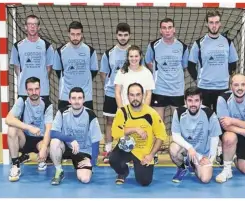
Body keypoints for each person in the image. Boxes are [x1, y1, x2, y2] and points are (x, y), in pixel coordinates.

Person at [145, 18, 189, 164]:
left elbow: (184, 65)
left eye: (170, 27)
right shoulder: (154, 45)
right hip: (160, 89)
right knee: (158, 123)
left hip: (177, 91)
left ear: (174, 29)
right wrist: (159, 74)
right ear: (160, 30)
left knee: (181, 123)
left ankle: (183, 151)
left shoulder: (182, 46)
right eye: (164, 28)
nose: (167, 30)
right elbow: (149, 62)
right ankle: (154, 153)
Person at [109, 83, 167, 186]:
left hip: (143, 152)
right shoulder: (122, 112)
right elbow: (115, 133)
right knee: (113, 159)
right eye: (132, 95)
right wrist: (134, 129)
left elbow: (161, 136)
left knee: (144, 182)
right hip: (126, 148)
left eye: (138, 94)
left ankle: (138, 165)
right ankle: (123, 172)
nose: (135, 98)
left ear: (143, 96)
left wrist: (151, 155)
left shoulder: (151, 113)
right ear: (127, 96)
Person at [49, 87, 102, 185]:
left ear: (84, 100)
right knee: (54, 142)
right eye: (73, 98)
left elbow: (95, 140)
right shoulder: (62, 112)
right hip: (67, 147)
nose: (76, 101)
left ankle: (85, 169)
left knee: (85, 179)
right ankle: (59, 170)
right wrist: (71, 139)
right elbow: (52, 133)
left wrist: (92, 161)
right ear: (69, 100)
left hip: (83, 151)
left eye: (79, 98)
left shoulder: (90, 115)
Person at [188, 10, 239, 112]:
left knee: (221, 120)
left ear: (220, 23)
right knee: (204, 119)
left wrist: (224, 76)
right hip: (204, 88)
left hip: (222, 88)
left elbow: (233, 64)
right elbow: (191, 65)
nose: (214, 25)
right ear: (207, 24)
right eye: (211, 22)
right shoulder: (199, 43)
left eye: (216, 22)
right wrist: (198, 80)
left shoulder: (228, 42)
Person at [215, 74, 245, 183]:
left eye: (242, 84)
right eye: (236, 85)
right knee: (229, 137)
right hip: (231, 132)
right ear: (231, 86)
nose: (239, 88)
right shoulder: (223, 99)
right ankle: (227, 169)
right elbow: (225, 126)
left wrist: (233, 120)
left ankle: (234, 155)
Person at [5, 77, 53, 182]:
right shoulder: (22, 100)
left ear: (40, 89)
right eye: (30, 90)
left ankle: (42, 159)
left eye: (36, 89)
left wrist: (44, 147)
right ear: (27, 91)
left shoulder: (47, 105)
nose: (34, 92)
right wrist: (29, 127)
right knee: (11, 128)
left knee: (52, 146)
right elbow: (8, 119)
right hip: (25, 139)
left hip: (40, 140)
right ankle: (15, 165)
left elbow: (49, 129)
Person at [169, 87, 221, 183]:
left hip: (202, 154)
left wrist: (210, 159)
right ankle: (182, 167)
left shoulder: (210, 114)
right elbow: (175, 135)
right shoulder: (179, 112)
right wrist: (189, 147)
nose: (193, 104)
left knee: (205, 179)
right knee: (173, 149)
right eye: (190, 100)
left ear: (201, 102)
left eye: (196, 100)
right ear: (185, 101)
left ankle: (193, 164)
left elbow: (215, 138)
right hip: (187, 150)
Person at [100, 23, 131, 163]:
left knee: (129, 122)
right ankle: (107, 149)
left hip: (129, 95)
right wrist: (109, 87)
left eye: (125, 35)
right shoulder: (109, 53)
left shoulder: (134, 52)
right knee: (110, 121)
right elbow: (103, 73)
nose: (123, 38)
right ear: (116, 35)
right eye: (120, 35)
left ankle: (130, 151)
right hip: (112, 94)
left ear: (129, 36)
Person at [53, 21, 98, 110]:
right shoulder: (60, 51)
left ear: (82, 35)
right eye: (72, 34)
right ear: (68, 34)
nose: (75, 37)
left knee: (85, 123)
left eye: (78, 34)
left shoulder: (91, 51)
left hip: (86, 97)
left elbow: (94, 71)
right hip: (65, 96)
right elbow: (58, 71)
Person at [10, 14, 54, 101]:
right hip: (24, 92)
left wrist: (41, 80)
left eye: (35, 24)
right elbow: (17, 69)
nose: (32, 27)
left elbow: (49, 69)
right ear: (25, 27)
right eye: (30, 24)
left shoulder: (47, 46)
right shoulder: (17, 46)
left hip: (42, 92)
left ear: (39, 27)